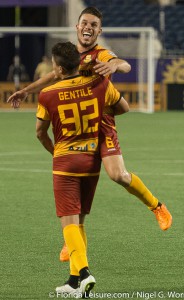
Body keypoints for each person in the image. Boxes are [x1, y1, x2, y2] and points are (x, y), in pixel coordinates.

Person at [7, 6, 172, 263]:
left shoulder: (101, 54)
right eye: (85, 23)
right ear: (77, 26)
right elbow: (53, 75)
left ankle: (157, 206)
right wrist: (26, 90)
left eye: (94, 25)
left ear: (99, 30)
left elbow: (123, 63)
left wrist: (114, 66)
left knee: (118, 174)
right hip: (80, 126)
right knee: (77, 180)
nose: (88, 28)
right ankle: (72, 242)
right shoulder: (72, 54)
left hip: (102, 123)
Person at [36, 41, 129, 297]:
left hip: (66, 161)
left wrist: (56, 152)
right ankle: (74, 281)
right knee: (80, 223)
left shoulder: (48, 94)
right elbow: (123, 108)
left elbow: (40, 133)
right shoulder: (99, 85)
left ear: (58, 69)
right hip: (91, 161)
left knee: (69, 223)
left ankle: (85, 273)